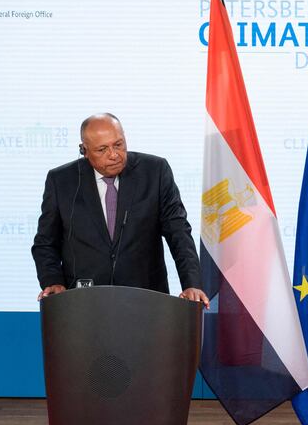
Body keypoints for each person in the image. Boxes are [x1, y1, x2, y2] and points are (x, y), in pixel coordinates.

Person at [32, 113, 208, 306]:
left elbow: (179, 233)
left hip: (146, 300)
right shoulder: (61, 180)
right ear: (85, 150)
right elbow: (45, 243)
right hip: (82, 304)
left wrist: (192, 284)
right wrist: (53, 281)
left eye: (118, 144)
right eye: (102, 149)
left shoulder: (155, 172)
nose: (114, 154)